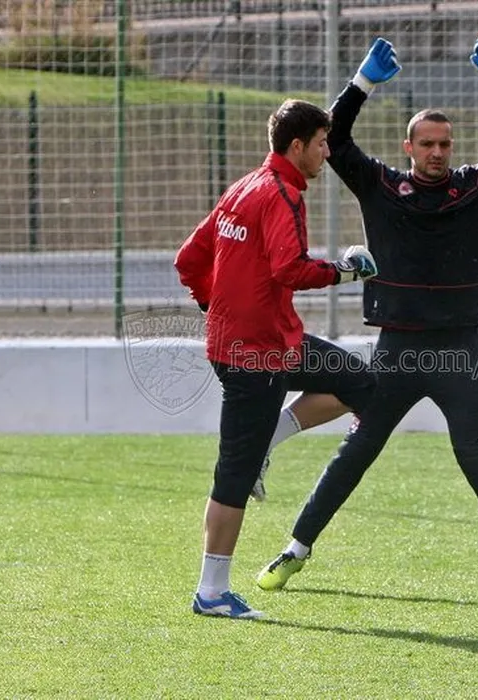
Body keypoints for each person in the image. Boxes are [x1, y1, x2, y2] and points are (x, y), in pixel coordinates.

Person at [253, 33, 478, 594]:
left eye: (445, 143)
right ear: (408, 146)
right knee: (356, 450)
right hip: (398, 349)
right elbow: (335, 138)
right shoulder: (381, 186)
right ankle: (294, 551)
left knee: (477, 457)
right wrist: (362, 82)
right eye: (427, 144)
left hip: (461, 350)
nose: (438, 152)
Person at [174, 98, 380, 619]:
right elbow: (290, 269)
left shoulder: (243, 187)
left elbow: (189, 259)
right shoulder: (282, 194)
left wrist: (213, 306)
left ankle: (270, 437)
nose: (326, 153)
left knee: (358, 380)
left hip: (266, 344)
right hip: (257, 355)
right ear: (297, 146)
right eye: (321, 144)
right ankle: (212, 592)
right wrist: (345, 271)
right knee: (234, 474)